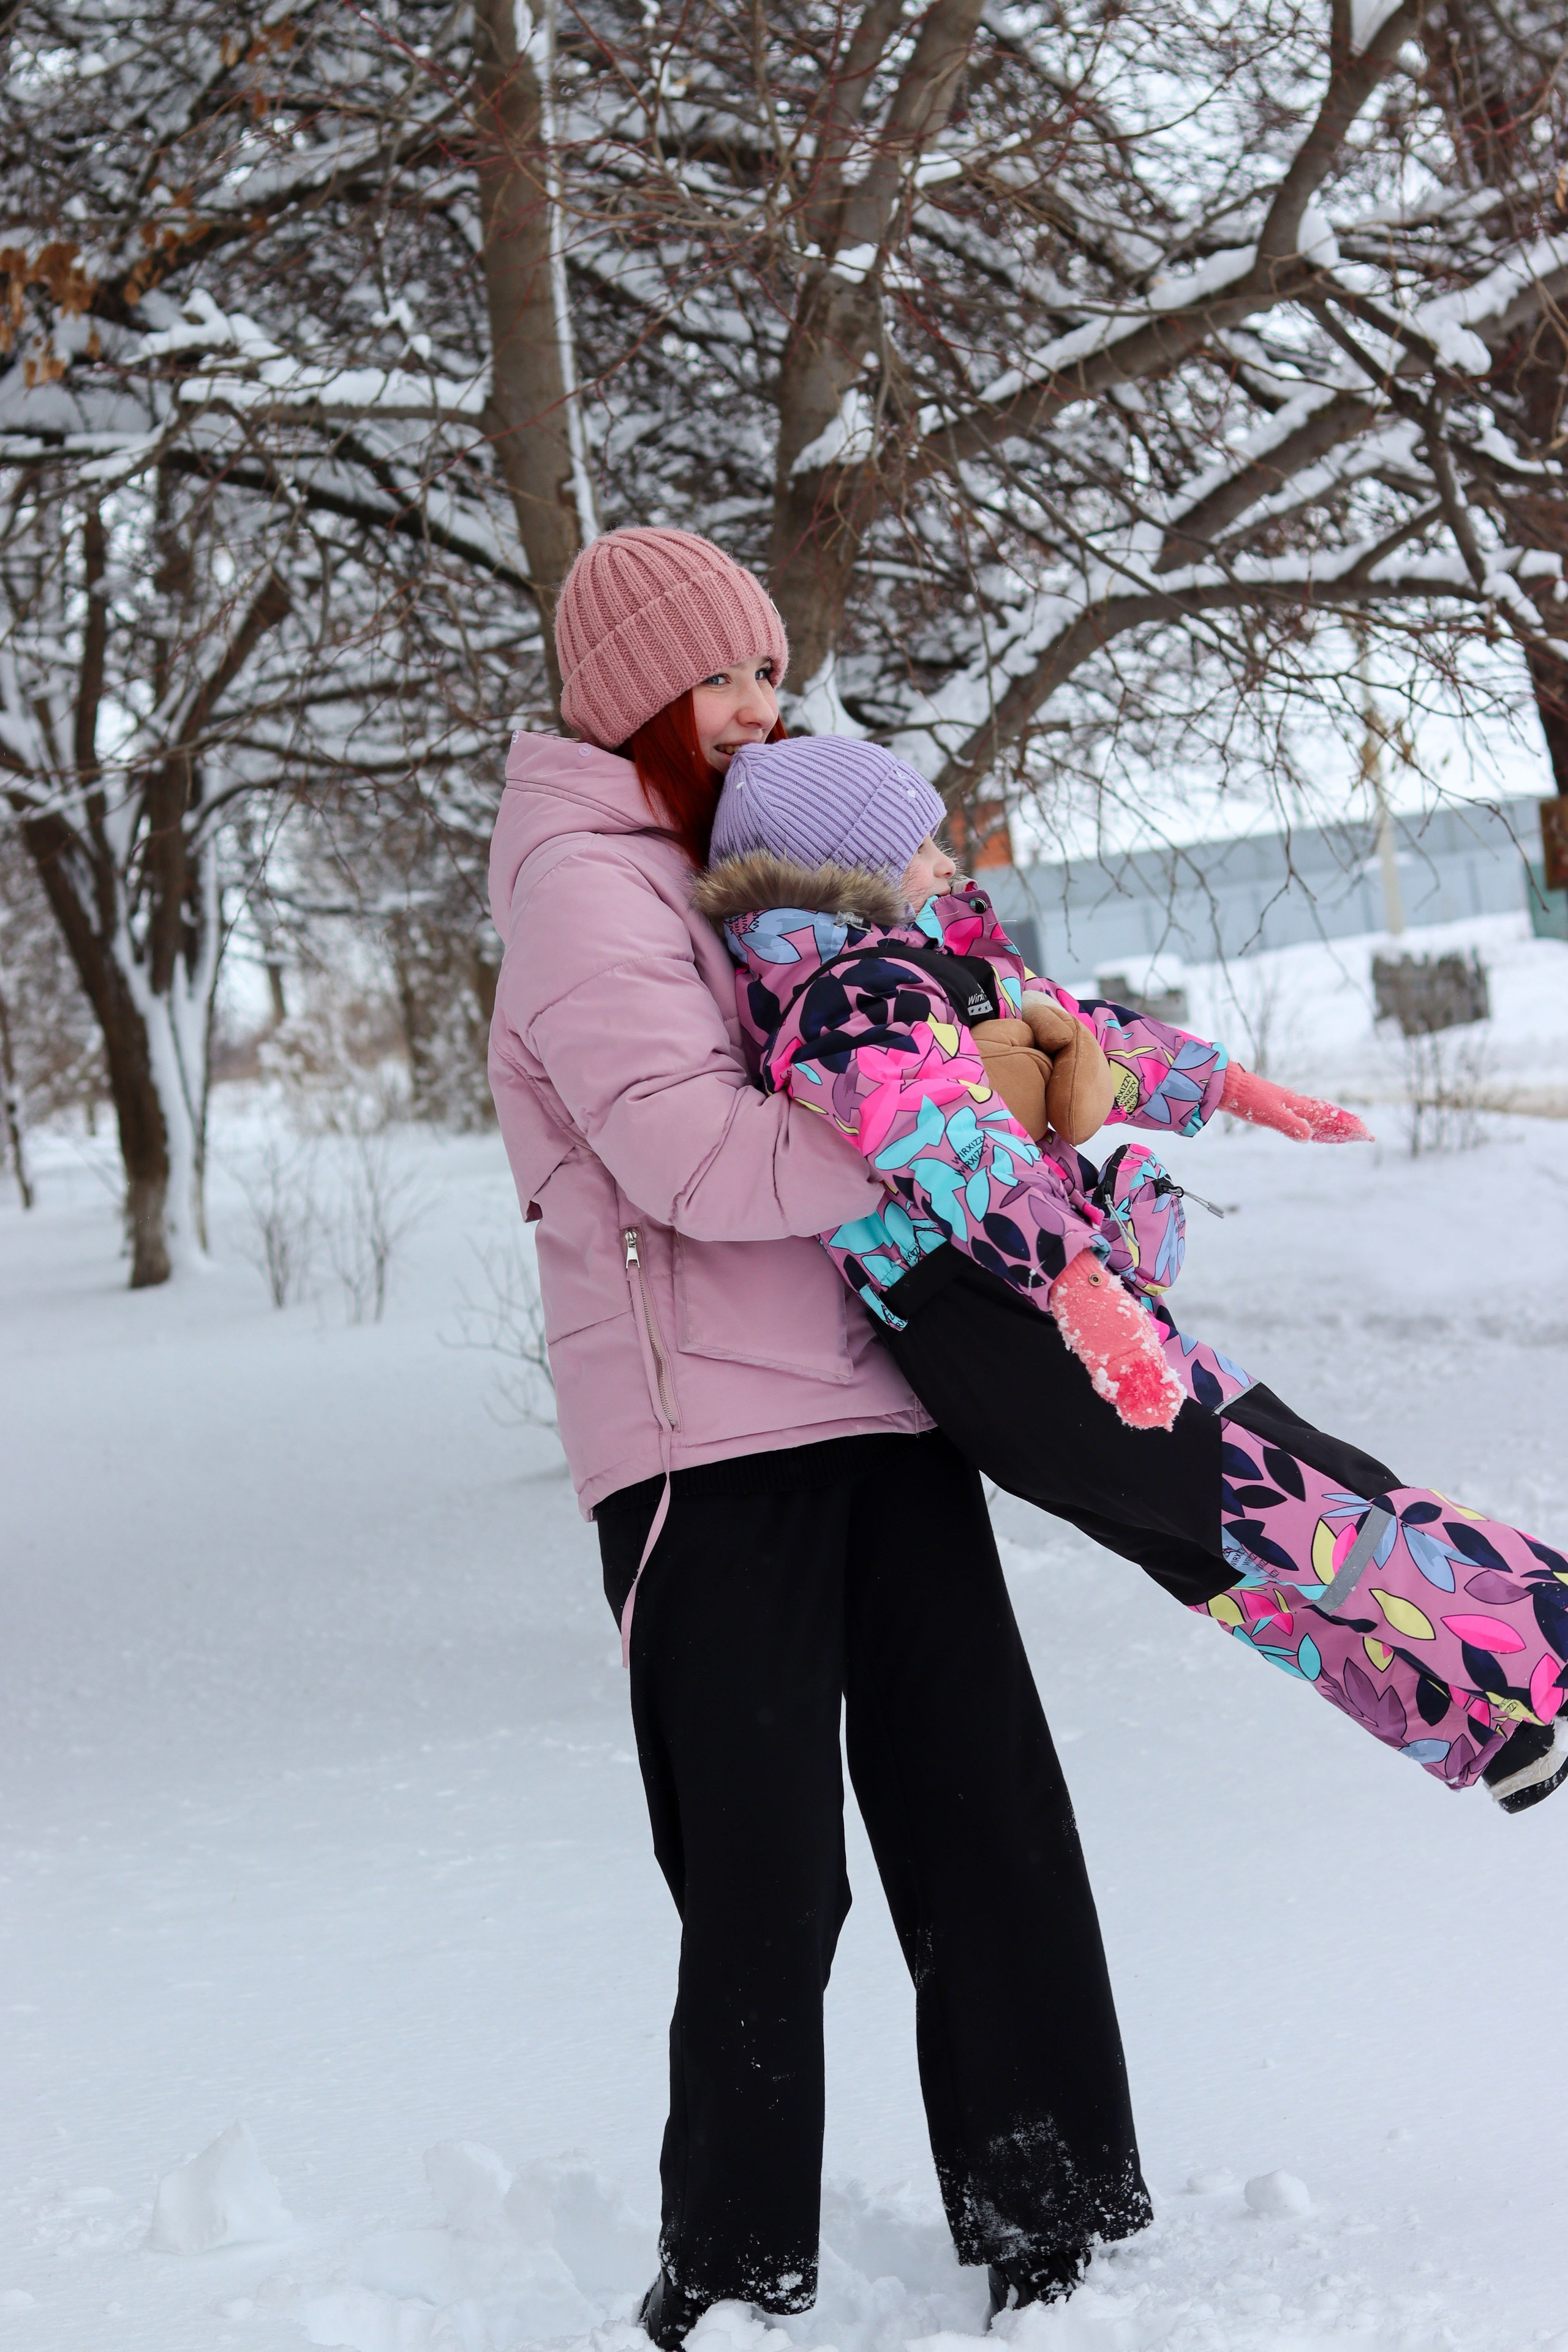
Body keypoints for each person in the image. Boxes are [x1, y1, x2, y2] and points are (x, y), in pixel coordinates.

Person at [486, 529, 1155, 2348]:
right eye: (723, 678)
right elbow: (691, 1158)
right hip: (706, 1449)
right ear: (633, 700)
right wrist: (955, 1140)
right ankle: (731, 2262)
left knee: (986, 1809)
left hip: (877, 1394)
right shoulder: (579, 883)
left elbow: (874, 1043)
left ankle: (1055, 2202)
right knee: (767, 1867)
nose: (762, 706)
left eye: (769, 671)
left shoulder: (757, 853)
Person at [692, 733, 1568, 1815]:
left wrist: (1231, 1089)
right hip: (1022, 1333)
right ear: (849, 872)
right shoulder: (851, 1000)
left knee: (1228, 1560)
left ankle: (1486, 1728)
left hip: (1037, 1340)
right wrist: (1077, 1287)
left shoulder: (917, 968)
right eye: (918, 844)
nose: (946, 858)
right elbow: (952, 1147)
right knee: (1312, 1502)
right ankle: (1549, 1633)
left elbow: (1079, 1038)